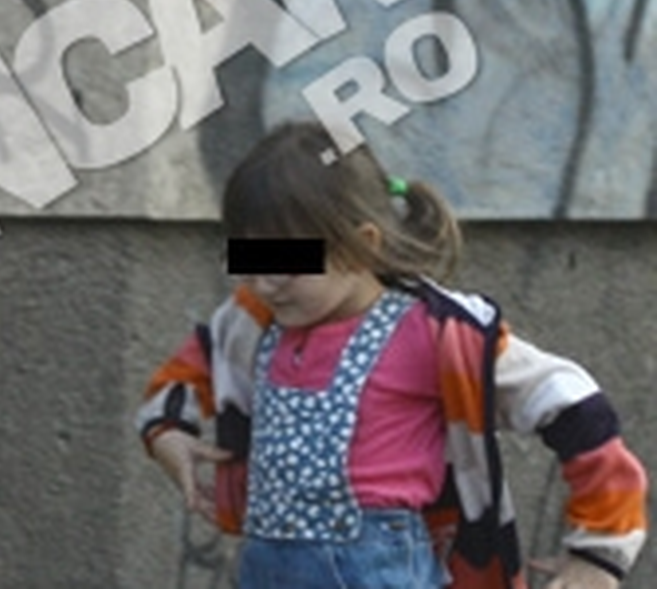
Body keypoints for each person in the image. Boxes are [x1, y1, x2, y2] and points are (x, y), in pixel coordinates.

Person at [136, 121, 648, 588]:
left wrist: (599, 552)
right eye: (249, 261)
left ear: (362, 243)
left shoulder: (437, 333)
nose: (265, 284)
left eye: (288, 263)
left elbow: (574, 406)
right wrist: (168, 436)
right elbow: (178, 382)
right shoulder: (249, 324)